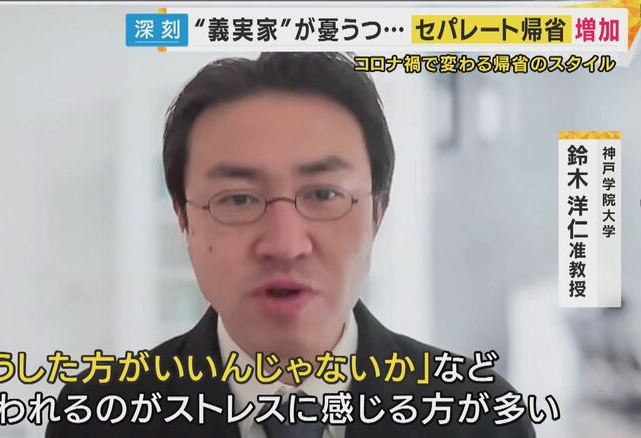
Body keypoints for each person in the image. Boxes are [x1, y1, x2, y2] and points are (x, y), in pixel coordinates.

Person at [46, 52, 536, 438]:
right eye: (238, 199)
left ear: (377, 213)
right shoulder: (97, 419)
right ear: (183, 219)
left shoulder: (482, 418)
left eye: (323, 195)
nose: (285, 245)